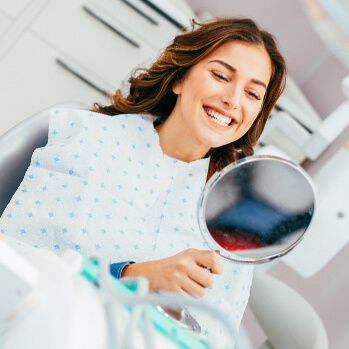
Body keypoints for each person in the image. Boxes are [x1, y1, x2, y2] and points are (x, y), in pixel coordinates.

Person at [0, 18, 287, 348]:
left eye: (252, 94)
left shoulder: (232, 224)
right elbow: (16, 263)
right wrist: (133, 277)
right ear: (180, 78)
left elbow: (212, 338)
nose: (233, 100)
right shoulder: (86, 139)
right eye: (220, 75)